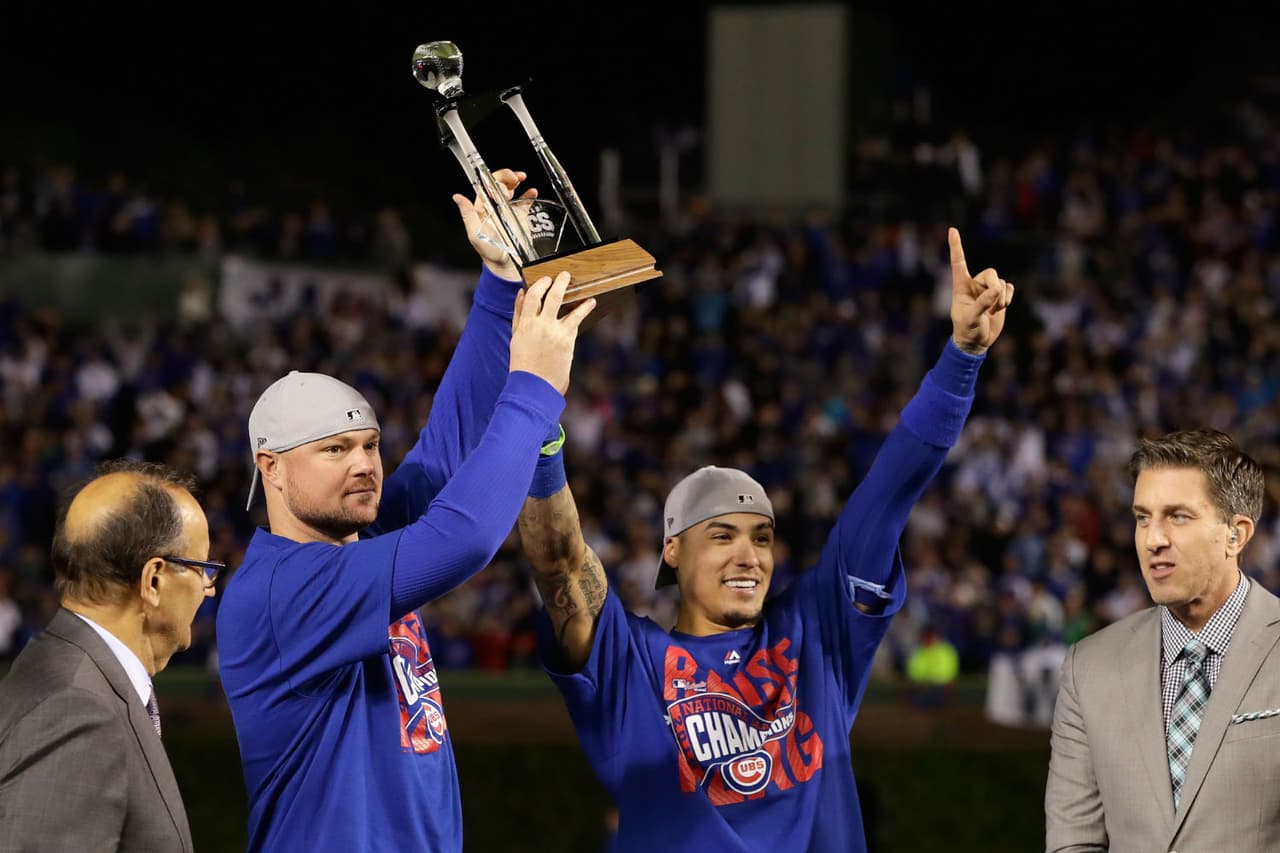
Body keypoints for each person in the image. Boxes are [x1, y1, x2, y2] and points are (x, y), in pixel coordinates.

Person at [518, 229, 1012, 851]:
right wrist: (538, 421)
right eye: (721, 536)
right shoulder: (630, 662)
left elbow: (889, 490)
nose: (748, 555)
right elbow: (560, 564)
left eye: (761, 537)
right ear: (673, 550)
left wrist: (962, 356)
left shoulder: (815, 632)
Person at [215, 171, 596, 852]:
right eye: (334, 449)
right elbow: (464, 538)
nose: (364, 462)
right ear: (269, 467)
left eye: (369, 445)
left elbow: (449, 445)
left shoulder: (361, 538)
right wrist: (534, 386)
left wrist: (500, 283)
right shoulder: (279, 588)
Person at [1046, 429, 1280, 852]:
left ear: (1236, 534)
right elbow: (1073, 840)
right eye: (1142, 517)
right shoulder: (1089, 666)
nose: (1153, 539)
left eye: (1178, 516)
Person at [0, 459, 217, 852]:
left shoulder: (72, 676)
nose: (209, 588)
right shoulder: (77, 710)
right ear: (153, 580)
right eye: (201, 569)